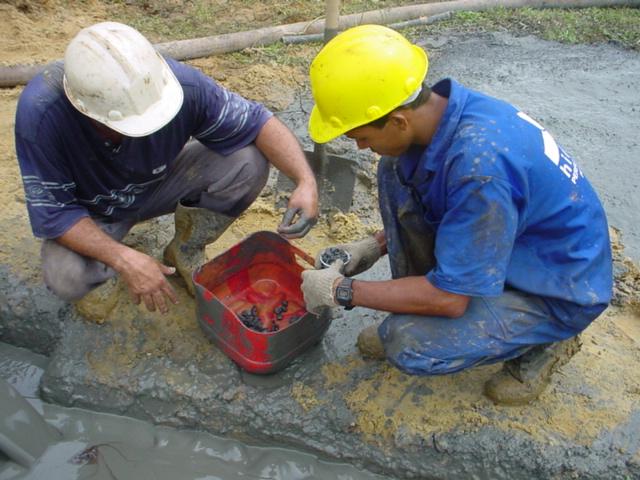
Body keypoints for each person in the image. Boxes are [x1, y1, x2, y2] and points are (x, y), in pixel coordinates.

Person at [300, 25, 612, 405]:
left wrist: (342, 291)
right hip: (513, 240)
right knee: (393, 169)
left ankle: (548, 340)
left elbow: (451, 300)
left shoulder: (479, 168)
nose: (361, 146)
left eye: (360, 136)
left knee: (406, 342)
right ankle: (423, 302)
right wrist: (374, 245)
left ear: (399, 119)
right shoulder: (447, 113)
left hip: (558, 287)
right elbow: (446, 204)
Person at [15, 21, 318, 317]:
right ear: (86, 111)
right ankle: (106, 257)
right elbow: (55, 213)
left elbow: (257, 122)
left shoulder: (175, 85)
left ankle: (185, 249)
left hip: (157, 182)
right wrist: (124, 259)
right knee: (65, 276)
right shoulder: (43, 114)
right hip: (92, 212)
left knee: (247, 163)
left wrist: (304, 180)